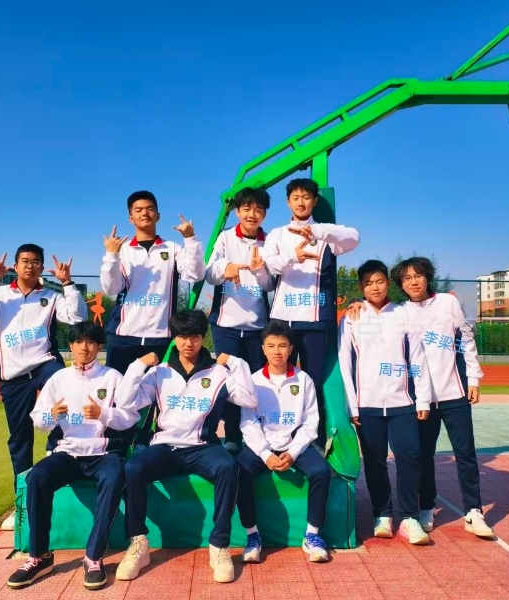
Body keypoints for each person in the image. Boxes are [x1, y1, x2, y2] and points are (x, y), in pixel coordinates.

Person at [113, 310, 257, 584]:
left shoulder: (218, 373)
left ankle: (219, 545)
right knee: (133, 468)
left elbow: (250, 399)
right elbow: (125, 402)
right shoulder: (159, 373)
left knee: (228, 467)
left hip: (202, 447)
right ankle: (138, 543)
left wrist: (235, 362)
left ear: (203, 338)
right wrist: (138, 365)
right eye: (181, 336)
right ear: (174, 338)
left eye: (194, 337)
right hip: (165, 446)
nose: (188, 343)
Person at [6, 321, 139, 590]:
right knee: (37, 476)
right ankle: (40, 556)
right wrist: (51, 415)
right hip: (67, 452)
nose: (84, 348)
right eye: (79, 342)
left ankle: (93, 557)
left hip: (103, 453)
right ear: (71, 346)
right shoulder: (59, 379)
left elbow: (130, 417)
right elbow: (38, 419)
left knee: (115, 477)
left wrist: (104, 414)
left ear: (99, 347)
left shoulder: (113, 377)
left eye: (90, 342)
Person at [0, 244, 87, 531]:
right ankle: (22, 504)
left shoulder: (51, 297)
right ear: (16, 266)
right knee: (19, 440)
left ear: (42, 267)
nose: (30, 266)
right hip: (13, 376)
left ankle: (56, 447)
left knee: (67, 387)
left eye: (35, 262)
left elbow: (77, 317)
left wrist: (68, 283)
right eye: (24, 261)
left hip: (44, 364)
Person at [392, 257, 492, 538]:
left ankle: (473, 511)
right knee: (424, 455)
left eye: (418, 275)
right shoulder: (400, 313)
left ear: (427, 277)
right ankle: (426, 507)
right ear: (401, 285)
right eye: (407, 278)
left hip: (455, 393)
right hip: (421, 399)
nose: (413, 282)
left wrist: (473, 378)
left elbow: (466, 340)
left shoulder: (448, 303)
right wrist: (356, 303)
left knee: (465, 453)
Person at [100, 191, 205, 447]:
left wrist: (191, 239)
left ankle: (146, 445)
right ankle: (115, 448)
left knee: (158, 395)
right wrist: (111, 256)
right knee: (118, 395)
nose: (144, 213)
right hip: (124, 335)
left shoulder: (172, 249)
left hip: (161, 337)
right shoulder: (122, 250)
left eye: (149, 209)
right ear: (130, 218)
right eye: (138, 210)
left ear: (158, 215)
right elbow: (111, 288)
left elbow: (195, 274)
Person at [338, 260, 432, 545]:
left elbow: (417, 358)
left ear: (388, 283)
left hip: (402, 402)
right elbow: (345, 363)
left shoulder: (403, 314)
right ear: (361, 287)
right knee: (374, 461)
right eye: (368, 283)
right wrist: (352, 404)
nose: (375, 287)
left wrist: (423, 398)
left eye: (379, 281)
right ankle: (382, 513)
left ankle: (410, 517)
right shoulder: (352, 317)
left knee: (410, 455)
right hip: (366, 405)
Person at [261, 178, 359, 444]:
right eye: (296, 197)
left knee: (313, 379)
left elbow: (354, 238)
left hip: (315, 319)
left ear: (314, 201)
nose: (301, 202)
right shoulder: (277, 234)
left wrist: (317, 232)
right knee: (279, 378)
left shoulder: (326, 234)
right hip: (283, 319)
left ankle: (313, 438)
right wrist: (294, 256)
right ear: (288, 202)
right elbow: (270, 266)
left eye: (306, 197)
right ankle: (277, 434)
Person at [236, 321, 331, 563]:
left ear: (290, 349)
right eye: (271, 346)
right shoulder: (253, 381)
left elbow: (310, 421)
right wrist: (265, 454)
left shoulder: (304, 379)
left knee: (321, 471)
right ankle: (252, 535)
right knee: (238, 472)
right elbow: (248, 422)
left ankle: (312, 535)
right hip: (262, 446)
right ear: (263, 349)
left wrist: (294, 452)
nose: (277, 351)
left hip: (294, 444)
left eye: (282, 346)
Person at [205, 186, 273, 453]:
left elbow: (270, 284)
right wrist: (226, 267)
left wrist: (258, 271)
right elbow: (210, 274)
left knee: (255, 383)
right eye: (246, 209)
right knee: (230, 382)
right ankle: (232, 434)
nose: (252, 214)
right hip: (226, 325)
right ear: (237, 212)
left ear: (264, 214)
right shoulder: (225, 238)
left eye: (258, 210)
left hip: (258, 327)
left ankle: (256, 436)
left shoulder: (270, 241)